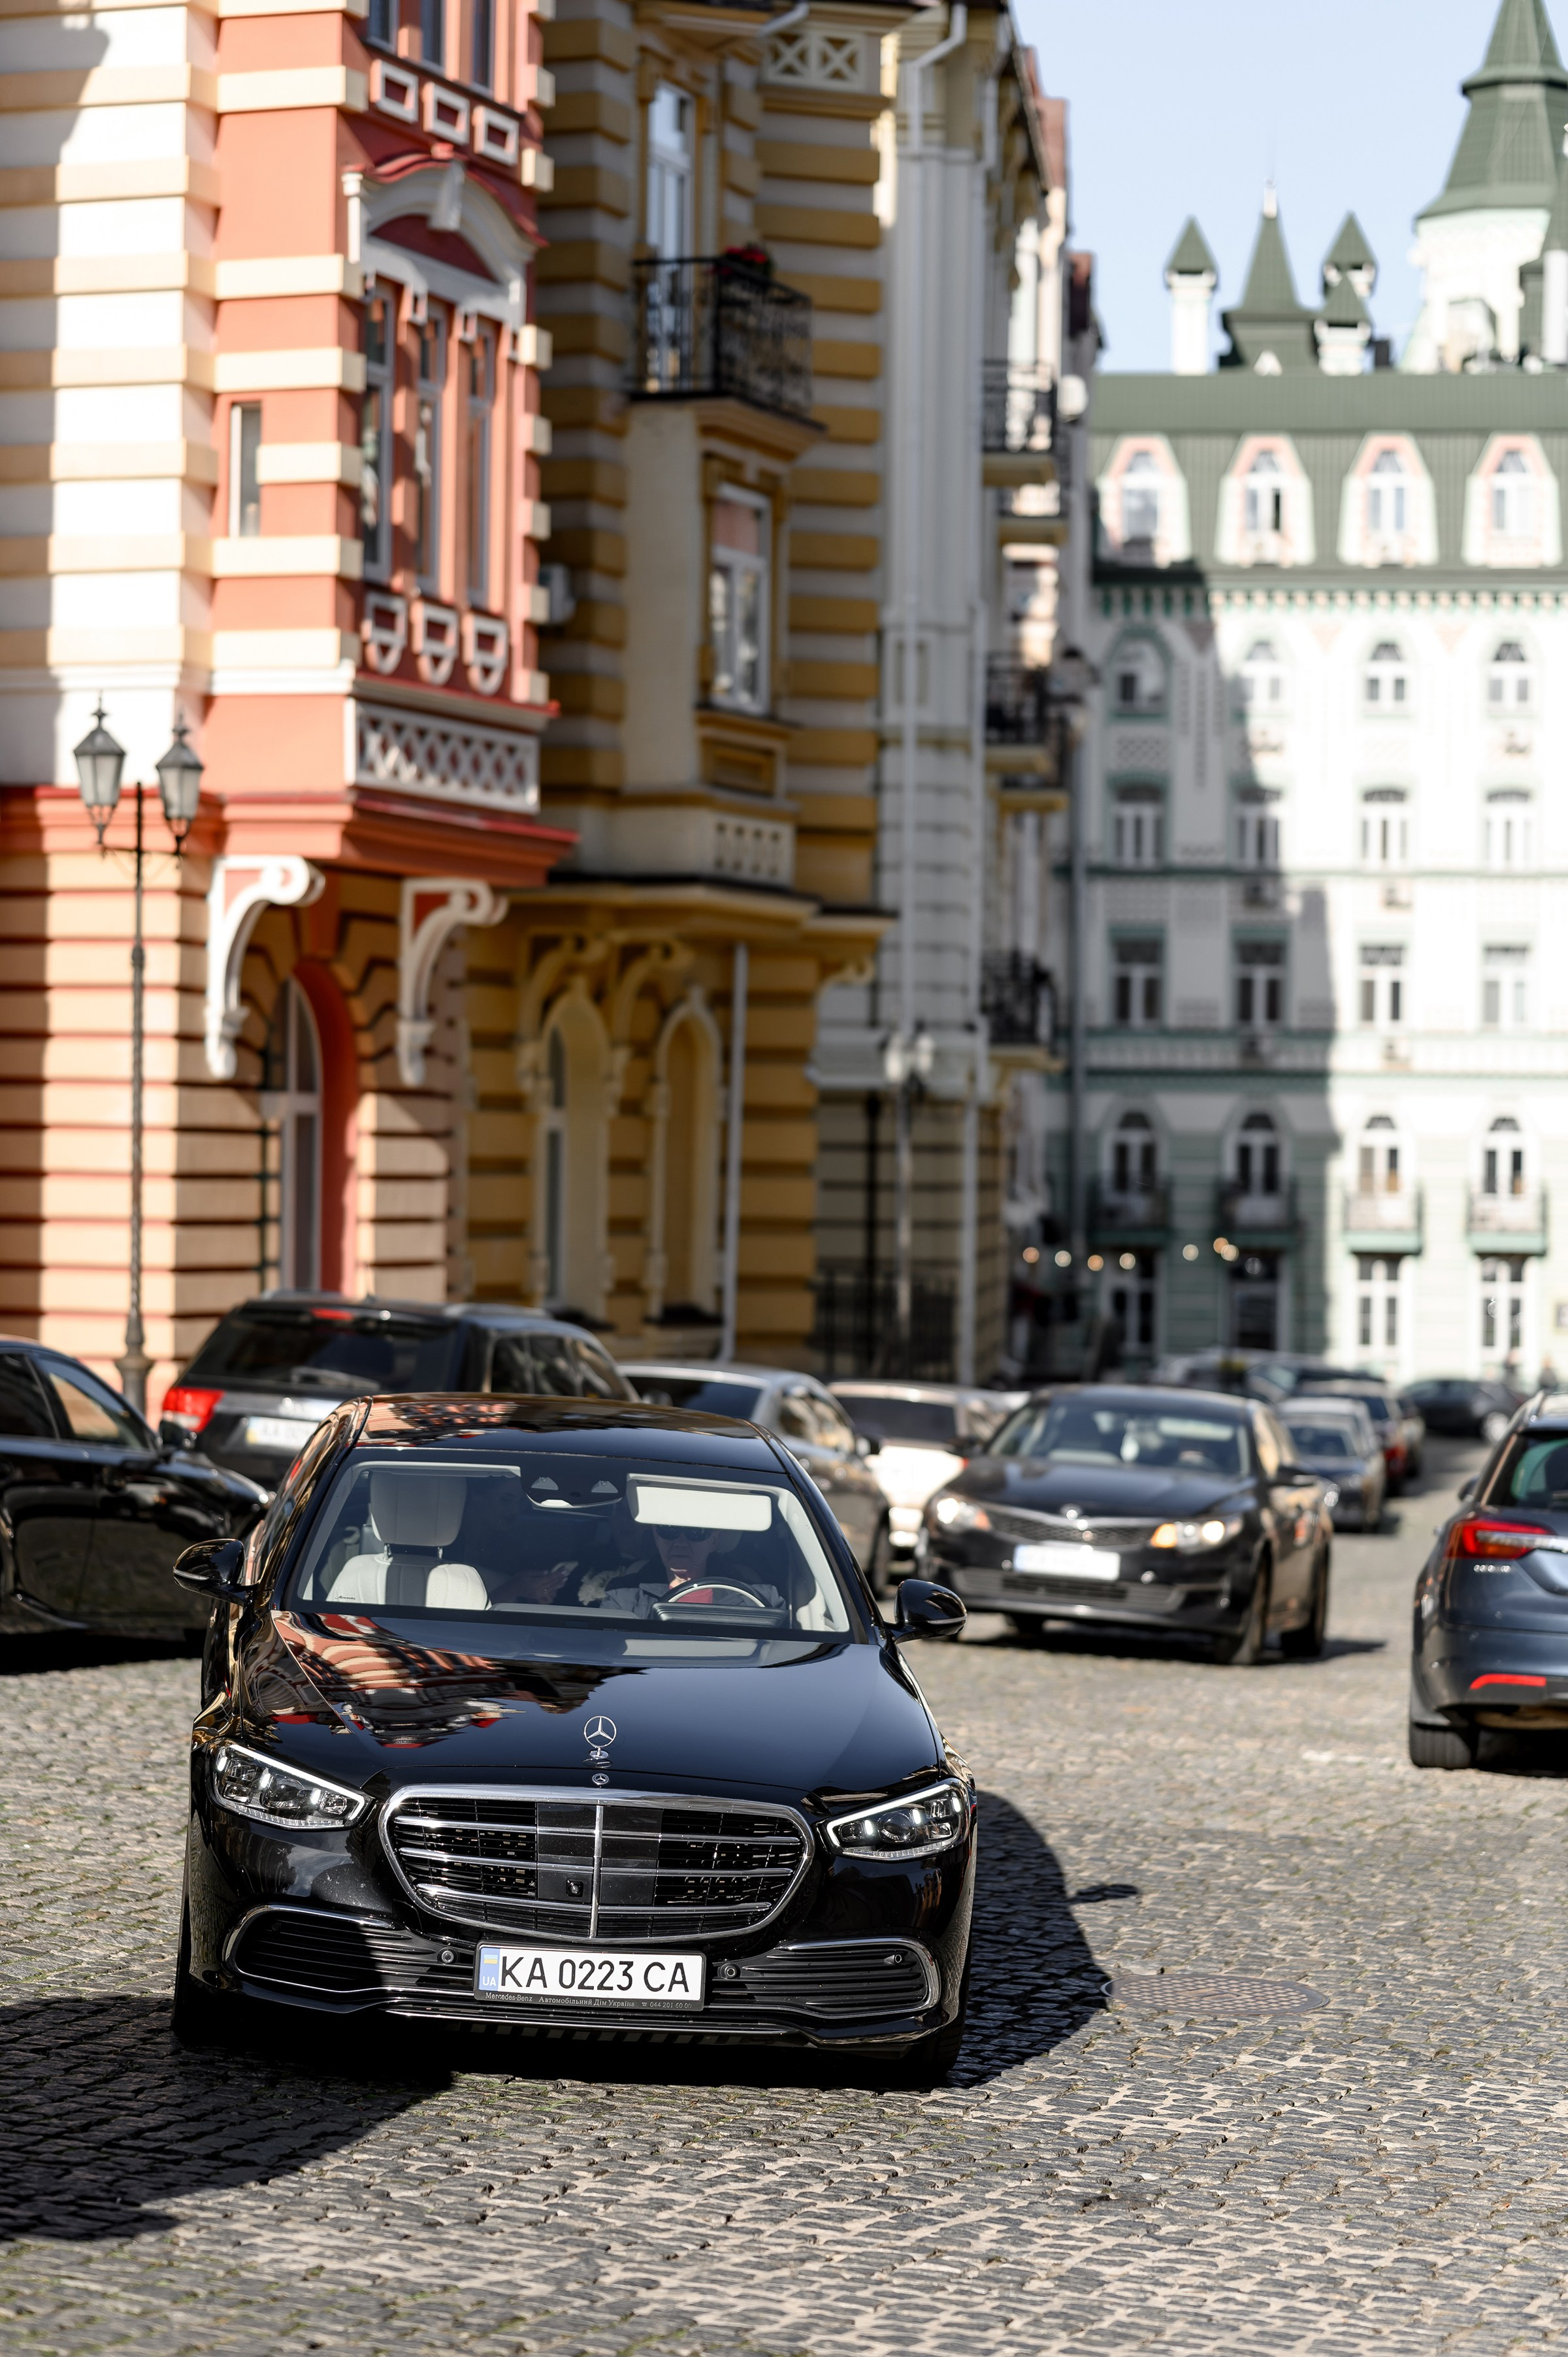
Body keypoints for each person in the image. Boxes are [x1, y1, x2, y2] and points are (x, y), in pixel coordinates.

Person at [598, 1520, 782, 1617]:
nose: (680, 1543)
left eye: (696, 1533)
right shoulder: (623, 1595)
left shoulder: (759, 1599)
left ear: (714, 1541)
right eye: (669, 1531)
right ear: (656, 1537)